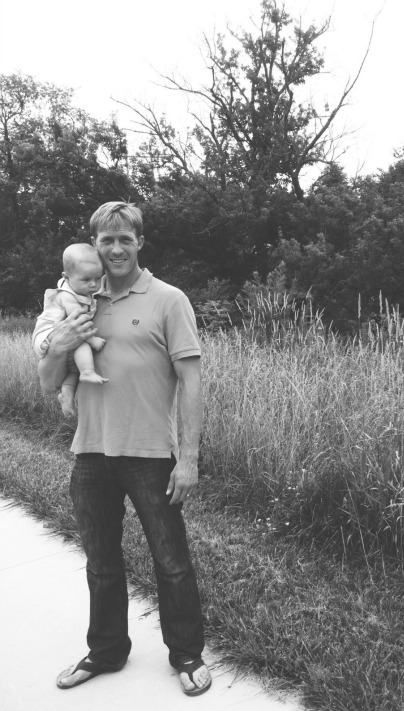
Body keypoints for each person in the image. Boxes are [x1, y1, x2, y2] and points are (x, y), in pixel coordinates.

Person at [37, 201, 211, 697]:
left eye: (125, 239)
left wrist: (189, 458)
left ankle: (186, 653)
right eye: (106, 240)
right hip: (91, 453)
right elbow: (48, 382)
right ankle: (107, 650)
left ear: (140, 243)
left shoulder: (168, 299)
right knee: (100, 562)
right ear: (94, 245)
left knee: (171, 561)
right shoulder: (79, 301)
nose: (115, 249)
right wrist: (59, 341)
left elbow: (192, 382)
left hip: (151, 454)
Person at [33, 243, 108, 418]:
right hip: (48, 333)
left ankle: (66, 394)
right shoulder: (66, 295)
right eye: (86, 279)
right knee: (81, 342)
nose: (93, 284)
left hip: (56, 334)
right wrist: (93, 340)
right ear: (66, 277)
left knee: (74, 369)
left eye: (98, 278)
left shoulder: (79, 289)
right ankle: (88, 371)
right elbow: (77, 323)